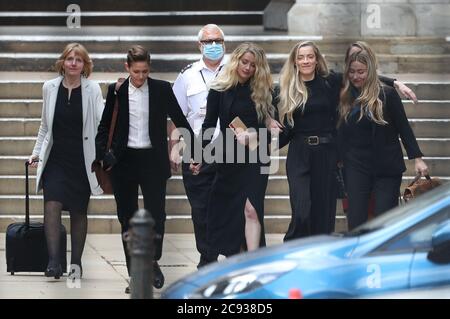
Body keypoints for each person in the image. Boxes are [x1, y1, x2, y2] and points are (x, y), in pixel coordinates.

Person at [95, 45, 196, 293]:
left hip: (153, 161)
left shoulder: (161, 89)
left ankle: (151, 260)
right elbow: (104, 126)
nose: (140, 77)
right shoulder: (117, 91)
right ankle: (134, 276)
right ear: (127, 67)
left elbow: (181, 120)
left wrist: (195, 151)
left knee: (156, 216)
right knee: (127, 219)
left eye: (145, 71)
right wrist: (104, 156)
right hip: (124, 162)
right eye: (136, 71)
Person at [277, 41, 402, 241]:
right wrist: (260, 139)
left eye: (310, 56)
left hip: (327, 152)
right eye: (301, 57)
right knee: (301, 210)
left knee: (324, 214)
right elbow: (277, 127)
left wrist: (392, 82)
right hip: (299, 153)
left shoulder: (330, 81)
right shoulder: (285, 88)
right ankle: (292, 247)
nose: (306, 61)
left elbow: (359, 75)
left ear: (317, 60)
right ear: (294, 61)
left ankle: (319, 255)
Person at [192, 42, 275, 258]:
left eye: (253, 65)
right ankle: (237, 259)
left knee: (251, 208)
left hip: (257, 156)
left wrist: (255, 135)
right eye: (244, 62)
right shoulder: (220, 89)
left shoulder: (265, 91)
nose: (248, 68)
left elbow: (275, 130)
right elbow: (209, 125)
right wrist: (200, 154)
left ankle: (253, 262)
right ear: (235, 61)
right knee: (233, 213)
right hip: (229, 156)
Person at [29, 43, 104, 279]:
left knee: (79, 212)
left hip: (82, 160)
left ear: (85, 65)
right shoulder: (49, 88)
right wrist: (36, 152)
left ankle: (76, 263)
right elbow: (44, 126)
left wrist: (103, 156)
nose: (73, 63)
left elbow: (101, 124)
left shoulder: (93, 89)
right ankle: (53, 262)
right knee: (51, 205)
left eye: (78, 60)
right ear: (63, 62)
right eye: (70, 58)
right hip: (56, 159)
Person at [338, 50, 428, 230]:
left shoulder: (386, 94)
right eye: (352, 71)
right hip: (356, 166)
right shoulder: (344, 95)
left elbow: (404, 128)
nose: (356, 76)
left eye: (361, 71)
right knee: (355, 219)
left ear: (370, 71)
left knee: (384, 219)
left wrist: (417, 158)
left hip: (386, 167)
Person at [170, 24, 226, 268]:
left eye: (218, 40)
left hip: (230, 150)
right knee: (201, 210)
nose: (214, 45)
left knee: (227, 207)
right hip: (197, 150)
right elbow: (176, 115)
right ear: (199, 45)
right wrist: (173, 148)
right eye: (208, 41)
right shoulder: (188, 75)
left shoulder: (236, 70)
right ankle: (207, 259)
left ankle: (231, 256)